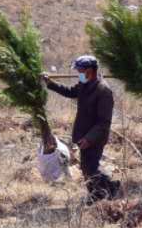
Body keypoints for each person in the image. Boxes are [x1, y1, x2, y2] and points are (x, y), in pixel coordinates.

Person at [44, 54, 118, 199]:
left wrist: (89, 139)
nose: (78, 74)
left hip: (95, 136)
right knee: (86, 168)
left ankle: (112, 188)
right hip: (83, 134)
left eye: (80, 71)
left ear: (90, 70)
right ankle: (95, 195)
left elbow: (104, 122)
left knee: (91, 168)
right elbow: (71, 92)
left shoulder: (103, 91)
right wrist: (50, 83)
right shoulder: (84, 84)